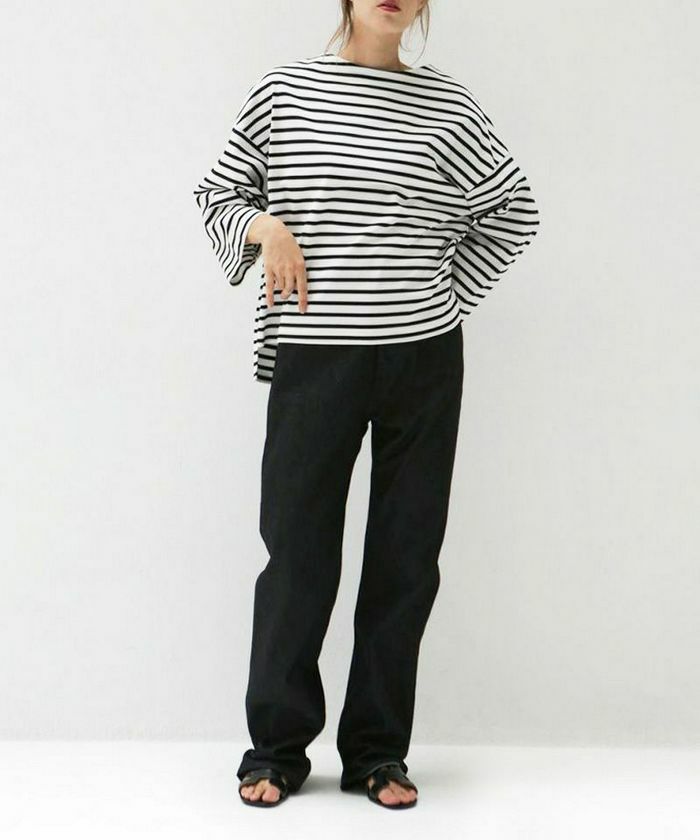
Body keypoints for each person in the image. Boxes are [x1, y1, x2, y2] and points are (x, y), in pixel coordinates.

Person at [193, 0, 540, 810]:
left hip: (424, 359)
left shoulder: (447, 104)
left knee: (406, 557)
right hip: (316, 355)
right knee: (297, 554)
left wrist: (442, 297)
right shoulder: (286, 92)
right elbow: (218, 195)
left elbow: (513, 210)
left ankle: (378, 752)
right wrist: (266, 228)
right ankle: (276, 749)